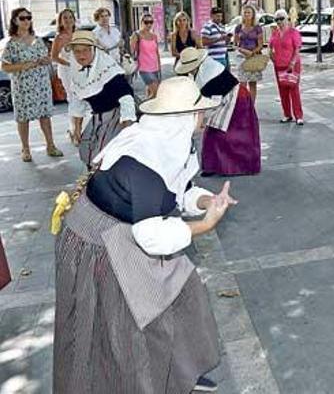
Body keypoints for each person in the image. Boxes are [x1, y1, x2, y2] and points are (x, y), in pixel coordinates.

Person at [53, 76, 229, 393]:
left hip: (126, 230)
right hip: (99, 241)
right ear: (184, 117)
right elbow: (151, 235)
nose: (203, 120)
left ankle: (180, 372)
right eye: (199, 113)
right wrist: (206, 225)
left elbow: (176, 191)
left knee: (179, 293)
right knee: (124, 325)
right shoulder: (145, 159)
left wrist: (206, 201)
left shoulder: (166, 141)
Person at [176, 47, 261, 177]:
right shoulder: (204, 66)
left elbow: (211, 103)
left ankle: (239, 166)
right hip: (226, 97)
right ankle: (214, 167)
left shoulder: (207, 74)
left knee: (232, 135)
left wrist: (200, 121)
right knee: (214, 134)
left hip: (237, 99)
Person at [66, 31, 137, 167]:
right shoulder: (77, 71)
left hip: (118, 116)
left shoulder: (108, 69)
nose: (81, 55)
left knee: (103, 155)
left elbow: (126, 97)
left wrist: (128, 129)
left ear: (94, 50)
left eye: (86, 50)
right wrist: (77, 129)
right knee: (87, 151)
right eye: (77, 51)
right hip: (98, 117)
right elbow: (77, 102)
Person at [2, 7, 63, 162]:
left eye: (29, 17)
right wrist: (24, 65)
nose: (27, 21)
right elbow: (4, 66)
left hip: (41, 83)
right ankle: (25, 148)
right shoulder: (11, 44)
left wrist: (46, 60)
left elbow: (48, 58)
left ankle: (50, 145)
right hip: (23, 86)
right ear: (15, 21)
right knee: (23, 118)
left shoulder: (37, 39)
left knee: (45, 115)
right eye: (22, 18)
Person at [268, 9, 304, 125]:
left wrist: (292, 63)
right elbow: (270, 47)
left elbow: (297, 49)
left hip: (292, 65)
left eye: (281, 18)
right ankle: (287, 114)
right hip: (279, 65)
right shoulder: (275, 33)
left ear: (287, 18)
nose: (279, 22)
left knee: (294, 89)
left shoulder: (293, 32)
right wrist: (272, 57)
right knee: (282, 91)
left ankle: (298, 115)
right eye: (277, 19)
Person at [51, 8, 78, 135]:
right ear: (60, 22)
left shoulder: (78, 34)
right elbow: (54, 57)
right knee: (72, 98)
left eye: (70, 17)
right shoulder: (59, 38)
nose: (68, 20)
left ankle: (79, 126)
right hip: (67, 70)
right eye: (65, 18)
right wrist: (69, 63)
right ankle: (74, 128)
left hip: (80, 69)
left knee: (82, 97)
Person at [234, 5, 264, 101]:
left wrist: (251, 53)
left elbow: (260, 45)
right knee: (242, 83)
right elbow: (235, 44)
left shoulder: (257, 28)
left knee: (252, 83)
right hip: (242, 57)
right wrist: (242, 50)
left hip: (253, 57)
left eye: (249, 12)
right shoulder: (238, 27)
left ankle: (251, 106)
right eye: (245, 12)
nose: (246, 14)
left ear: (253, 15)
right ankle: (244, 105)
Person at [130, 13, 161, 99]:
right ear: (141, 22)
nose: (149, 24)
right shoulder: (136, 35)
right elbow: (131, 51)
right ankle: (142, 108)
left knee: (150, 92)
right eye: (146, 22)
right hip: (144, 68)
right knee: (156, 92)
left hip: (155, 67)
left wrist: (159, 66)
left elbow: (156, 52)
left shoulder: (154, 36)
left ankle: (149, 110)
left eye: (151, 22)